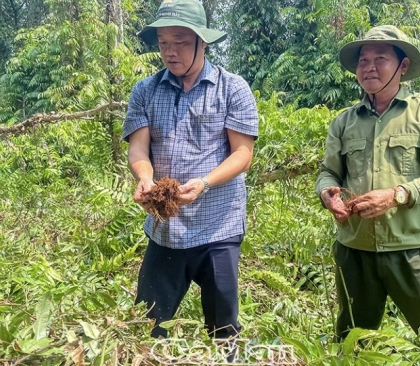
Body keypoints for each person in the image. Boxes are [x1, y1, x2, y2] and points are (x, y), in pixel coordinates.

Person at [315, 25, 420, 364]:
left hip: (414, 252)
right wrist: (327, 194)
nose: (369, 67)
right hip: (354, 250)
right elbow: (329, 172)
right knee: (353, 342)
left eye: (380, 59)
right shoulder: (344, 122)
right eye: (363, 60)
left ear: (402, 67)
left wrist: (398, 194)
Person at [122, 0, 259, 344]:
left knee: (223, 327)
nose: (170, 51)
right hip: (166, 228)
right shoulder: (145, 90)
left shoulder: (232, 88)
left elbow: (243, 153)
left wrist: (204, 182)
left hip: (219, 226)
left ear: (203, 42)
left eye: (181, 42)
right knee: (146, 323)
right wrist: (145, 178)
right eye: (164, 42)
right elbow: (138, 148)